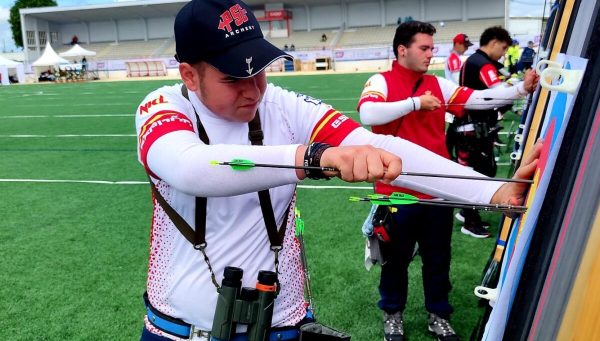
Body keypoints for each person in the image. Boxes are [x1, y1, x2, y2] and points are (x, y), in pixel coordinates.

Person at [135, 2, 541, 340]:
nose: (253, 90)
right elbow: (189, 168)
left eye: (258, 70)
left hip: (281, 324)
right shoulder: (163, 106)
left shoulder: (279, 102)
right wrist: (314, 158)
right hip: (179, 329)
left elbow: (380, 146)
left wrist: (491, 192)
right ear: (189, 74)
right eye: (233, 78)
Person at [357, 21, 538, 341]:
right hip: (395, 194)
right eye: (424, 48)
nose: (431, 53)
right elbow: (368, 114)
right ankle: (392, 315)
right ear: (402, 50)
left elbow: (478, 100)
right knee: (395, 261)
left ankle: (438, 315)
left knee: (438, 260)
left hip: (440, 192)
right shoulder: (380, 80)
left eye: (431, 48)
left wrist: (521, 89)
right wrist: (415, 103)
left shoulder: (436, 84)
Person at [451, 26, 517, 238]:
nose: (504, 53)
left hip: (469, 128)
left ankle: (466, 212)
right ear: (494, 42)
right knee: (477, 175)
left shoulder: (475, 61)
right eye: (504, 48)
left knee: (479, 172)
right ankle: (470, 221)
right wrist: (519, 88)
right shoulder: (482, 64)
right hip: (472, 130)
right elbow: (498, 94)